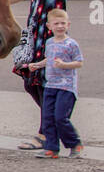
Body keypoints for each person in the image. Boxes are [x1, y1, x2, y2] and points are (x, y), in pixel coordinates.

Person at [8, 0, 72, 150]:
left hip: (51, 38)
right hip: (35, 38)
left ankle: (45, 134)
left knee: (45, 84)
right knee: (31, 83)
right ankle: (52, 123)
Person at [26, 8, 83, 158]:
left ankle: (75, 144)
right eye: (56, 23)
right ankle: (51, 148)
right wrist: (37, 65)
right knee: (47, 117)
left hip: (66, 87)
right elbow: (49, 60)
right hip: (50, 86)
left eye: (63, 23)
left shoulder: (71, 44)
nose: (60, 26)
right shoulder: (49, 42)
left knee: (60, 118)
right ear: (49, 26)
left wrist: (65, 65)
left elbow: (79, 62)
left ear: (68, 25)